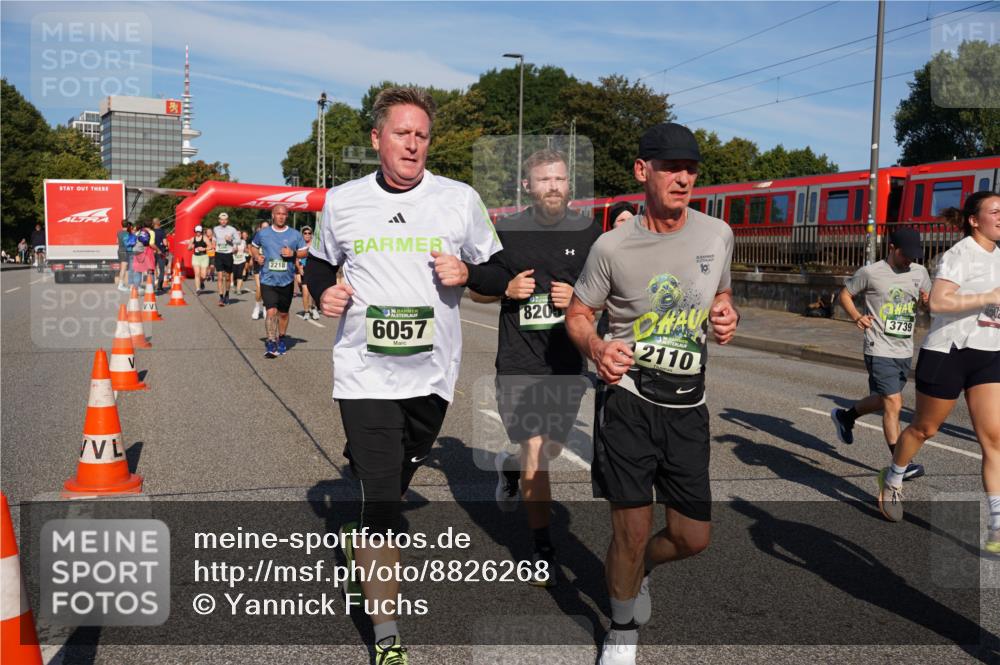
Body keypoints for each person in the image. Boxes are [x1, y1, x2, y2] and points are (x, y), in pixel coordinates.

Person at [303, 86, 503, 664]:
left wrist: (467, 270)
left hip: (432, 376)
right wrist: (324, 291)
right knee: (382, 505)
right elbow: (319, 260)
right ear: (377, 140)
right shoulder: (341, 202)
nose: (412, 144)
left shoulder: (459, 199)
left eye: (421, 135)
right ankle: (387, 635)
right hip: (363, 373)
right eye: (401, 133)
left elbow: (497, 271)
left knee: (395, 477)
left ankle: (373, 493)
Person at [565, 123, 739, 665]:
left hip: (689, 405)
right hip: (630, 401)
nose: (683, 177)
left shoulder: (717, 234)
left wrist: (728, 314)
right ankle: (620, 629)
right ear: (644, 172)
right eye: (671, 167)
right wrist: (596, 348)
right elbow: (578, 313)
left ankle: (636, 571)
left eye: (691, 169)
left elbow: (725, 295)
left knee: (693, 538)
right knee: (632, 528)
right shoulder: (612, 246)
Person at [467, 149, 601, 585]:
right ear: (528, 186)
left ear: (569, 184)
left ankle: (509, 469)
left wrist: (578, 301)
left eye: (560, 179)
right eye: (544, 180)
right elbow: (478, 292)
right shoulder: (506, 232)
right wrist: (506, 287)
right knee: (537, 454)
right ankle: (541, 545)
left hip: (565, 360)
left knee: (549, 450)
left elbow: (605, 295)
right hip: (520, 361)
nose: (553, 187)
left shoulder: (588, 234)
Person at [876, 192, 1000, 553]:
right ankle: (894, 474)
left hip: (989, 354)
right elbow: (940, 302)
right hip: (949, 353)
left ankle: (996, 525)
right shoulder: (959, 254)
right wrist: (988, 298)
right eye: (995, 211)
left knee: (994, 440)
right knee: (924, 428)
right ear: (974, 220)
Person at [831, 228, 931, 481]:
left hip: (905, 348)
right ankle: (900, 463)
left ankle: (846, 416)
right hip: (879, 347)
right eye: (904, 254)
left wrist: (928, 301)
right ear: (892, 248)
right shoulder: (871, 273)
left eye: (913, 255)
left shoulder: (920, 272)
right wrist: (857, 317)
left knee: (881, 399)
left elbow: (927, 303)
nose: (909, 260)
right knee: (893, 403)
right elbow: (844, 294)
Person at [250, 205, 307, 358]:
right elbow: (253, 247)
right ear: (273, 215)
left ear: (287, 216)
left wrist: (293, 253)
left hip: (286, 280)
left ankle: (281, 338)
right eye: (278, 214)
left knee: (283, 314)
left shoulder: (295, 235)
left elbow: (305, 251)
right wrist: (257, 256)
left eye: (284, 214)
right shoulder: (263, 233)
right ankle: (270, 341)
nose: (281, 216)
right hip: (268, 279)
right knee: (271, 311)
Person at [213, 212, 240, 306]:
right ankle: (221, 297)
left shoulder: (232, 229)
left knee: (228, 278)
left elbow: (239, 240)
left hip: (228, 254)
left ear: (227, 220)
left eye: (225, 219)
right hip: (219, 254)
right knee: (220, 277)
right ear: (219, 220)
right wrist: (213, 244)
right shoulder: (215, 229)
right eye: (221, 219)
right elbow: (214, 238)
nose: (223, 221)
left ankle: (227, 294)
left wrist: (231, 240)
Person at [296, 226, 320, 320]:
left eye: (309, 233)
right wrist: (299, 267)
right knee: (305, 292)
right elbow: (296, 258)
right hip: (304, 269)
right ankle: (306, 311)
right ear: (302, 235)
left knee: (314, 293)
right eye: (305, 233)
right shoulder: (300, 245)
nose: (307, 235)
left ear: (312, 235)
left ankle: (313, 308)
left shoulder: (315, 245)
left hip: (314, 269)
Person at [250, 221, 270, 320]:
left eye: (267, 227)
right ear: (260, 228)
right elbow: (252, 248)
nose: (265, 229)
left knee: (267, 289)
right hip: (259, 265)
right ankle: (257, 307)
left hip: (269, 266)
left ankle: (265, 307)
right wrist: (256, 257)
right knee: (259, 287)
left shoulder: (273, 237)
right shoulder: (257, 237)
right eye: (263, 227)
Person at [185, 225, 210, 293]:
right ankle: (197, 289)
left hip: (204, 257)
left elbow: (210, 247)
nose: (198, 233)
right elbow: (188, 248)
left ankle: (202, 282)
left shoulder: (205, 238)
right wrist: (191, 246)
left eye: (199, 231)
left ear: (201, 231)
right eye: (196, 232)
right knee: (197, 273)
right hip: (196, 257)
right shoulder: (193, 239)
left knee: (204, 275)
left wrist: (204, 248)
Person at [151, 218, 169, 292]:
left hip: (152, 252)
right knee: (161, 270)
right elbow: (165, 243)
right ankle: (159, 286)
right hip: (161, 252)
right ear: (159, 223)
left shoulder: (151, 232)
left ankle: (152, 285)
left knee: (152, 269)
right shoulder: (162, 232)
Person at [233, 230, 249, 295]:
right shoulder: (232, 242)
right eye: (237, 234)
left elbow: (245, 249)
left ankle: (238, 289)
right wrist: (234, 250)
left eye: (239, 234)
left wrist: (246, 250)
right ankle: (235, 284)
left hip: (242, 260)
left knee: (240, 274)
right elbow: (231, 251)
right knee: (235, 275)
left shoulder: (243, 241)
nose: (238, 235)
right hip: (234, 261)